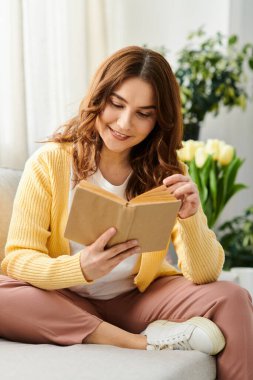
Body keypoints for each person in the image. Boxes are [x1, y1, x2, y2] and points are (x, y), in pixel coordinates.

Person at [0, 46, 252, 379]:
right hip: (64, 301)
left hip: (138, 299)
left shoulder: (168, 171)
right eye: (116, 104)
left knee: (232, 297)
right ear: (99, 97)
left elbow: (204, 274)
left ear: (158, 120)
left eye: (143, 113)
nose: (124, 123)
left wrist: (191, 219)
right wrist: (81, 267)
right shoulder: (50, 163)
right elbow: (18, 260)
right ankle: (138, 343)